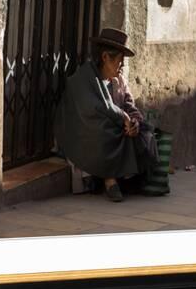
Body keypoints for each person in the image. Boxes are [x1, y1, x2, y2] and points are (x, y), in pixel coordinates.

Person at [53, 27, 168, 202]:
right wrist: (123, 118)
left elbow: (130, 106)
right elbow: (91, 111)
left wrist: (134, 122)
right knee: (103, 131)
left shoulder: (119, 80)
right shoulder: (83, 79)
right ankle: (110, 178)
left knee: (144, 131)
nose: (122, 66)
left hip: (116, 129)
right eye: (119, 61)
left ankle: (128, 179)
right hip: (84, 134)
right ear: (105, 57)